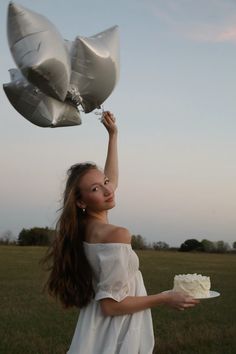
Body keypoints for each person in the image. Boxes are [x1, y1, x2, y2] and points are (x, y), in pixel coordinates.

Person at [42, 111, 199, 354]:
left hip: (95, 326)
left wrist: (113, 135)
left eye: (105, 182)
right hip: (115, 330)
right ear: (81, 201)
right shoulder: (115, 234)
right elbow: (111, 306)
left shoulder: (84, 227)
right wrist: (166, 297)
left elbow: (111, 180)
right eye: (96, 188)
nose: (108, 190)